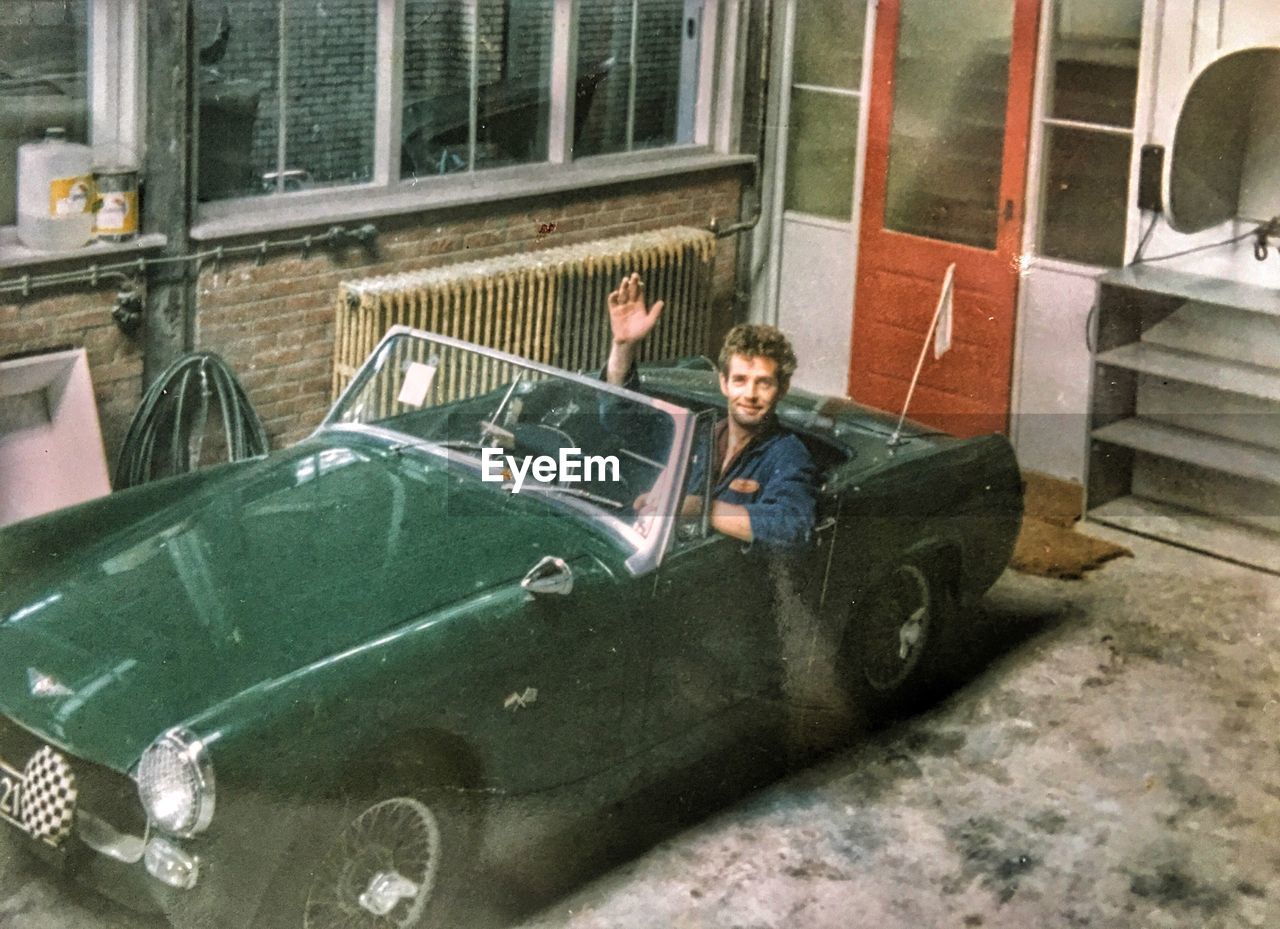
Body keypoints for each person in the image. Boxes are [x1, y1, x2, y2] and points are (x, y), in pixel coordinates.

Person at [603, 272, 818, 551]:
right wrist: (623, 347)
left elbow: (792, 526)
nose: (750, 394)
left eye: (763, 383)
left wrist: (701, 507)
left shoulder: (787, 454)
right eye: (740, 380)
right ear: (724, 383)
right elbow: (621, 420)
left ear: (783, 388)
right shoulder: (699, 434)